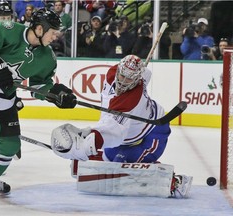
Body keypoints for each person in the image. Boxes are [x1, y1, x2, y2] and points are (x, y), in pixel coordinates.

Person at [0, 8, 76, 205]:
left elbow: (38, 85)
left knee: (11, 144)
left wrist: (56, 94)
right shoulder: (7, 29)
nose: (56, 36)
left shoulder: (47, 57)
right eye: (53, 32)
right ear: (39, 28)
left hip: (4, 95)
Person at [50, 54, 193, 198]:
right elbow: (146, 74)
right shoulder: (113, 74)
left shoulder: (130, 100)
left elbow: (114, 133)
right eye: (122, 75)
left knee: (122, 163)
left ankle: (174, 182)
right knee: (111, 157)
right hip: (130, 133)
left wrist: (84, 148)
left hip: (154, 132)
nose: (123, 81)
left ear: (137, 79)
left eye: (129, 78)